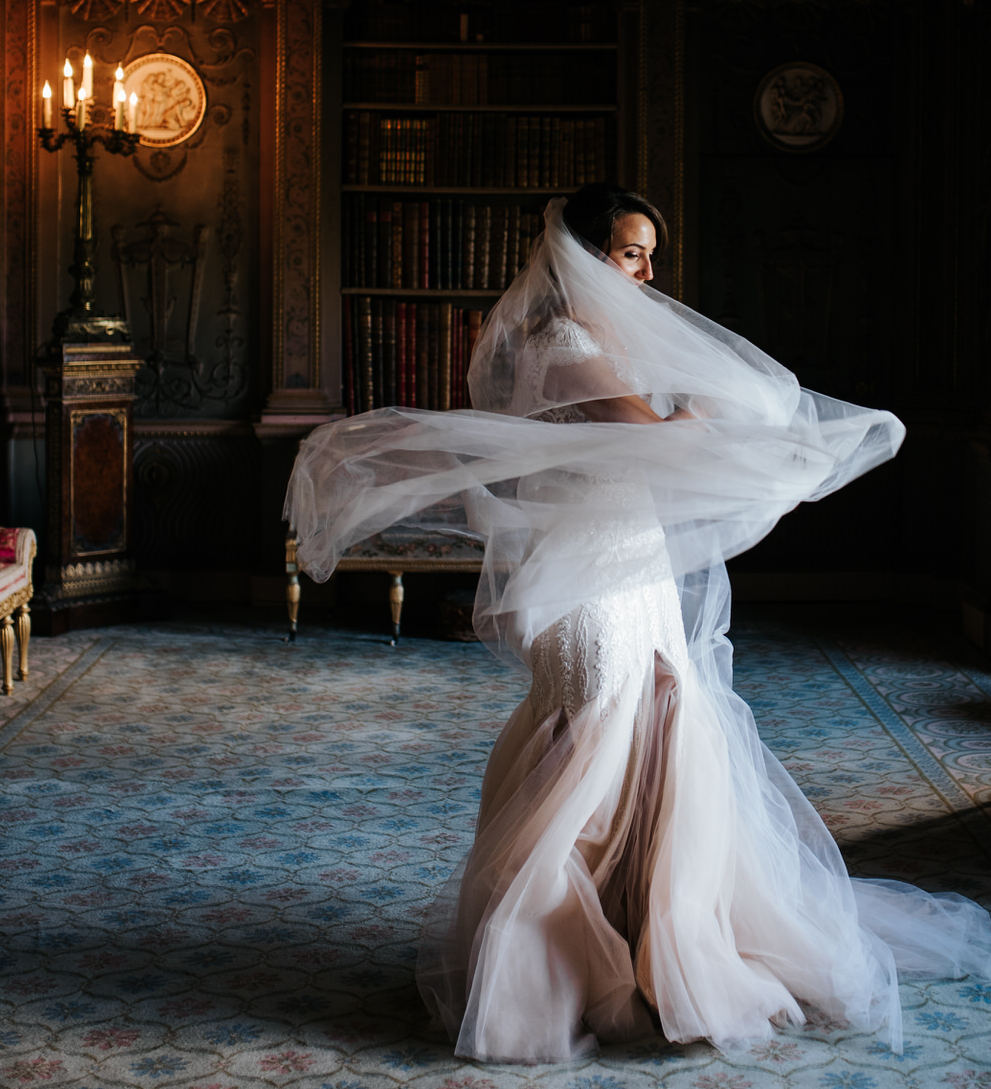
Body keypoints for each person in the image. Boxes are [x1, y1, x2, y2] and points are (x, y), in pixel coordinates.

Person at [286, 183, 991, 1063]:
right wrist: (698, 420)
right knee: (595, 736)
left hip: (633, 567)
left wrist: (694, 420)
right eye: (629, 251)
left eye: (651, 251)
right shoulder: (567, 343)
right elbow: (665, 442)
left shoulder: (614, 335)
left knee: (650, 733)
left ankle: (640, 936)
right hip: (589, 581)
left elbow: (656, 438)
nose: (648, 269)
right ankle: (563, 966)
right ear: (583, 256)